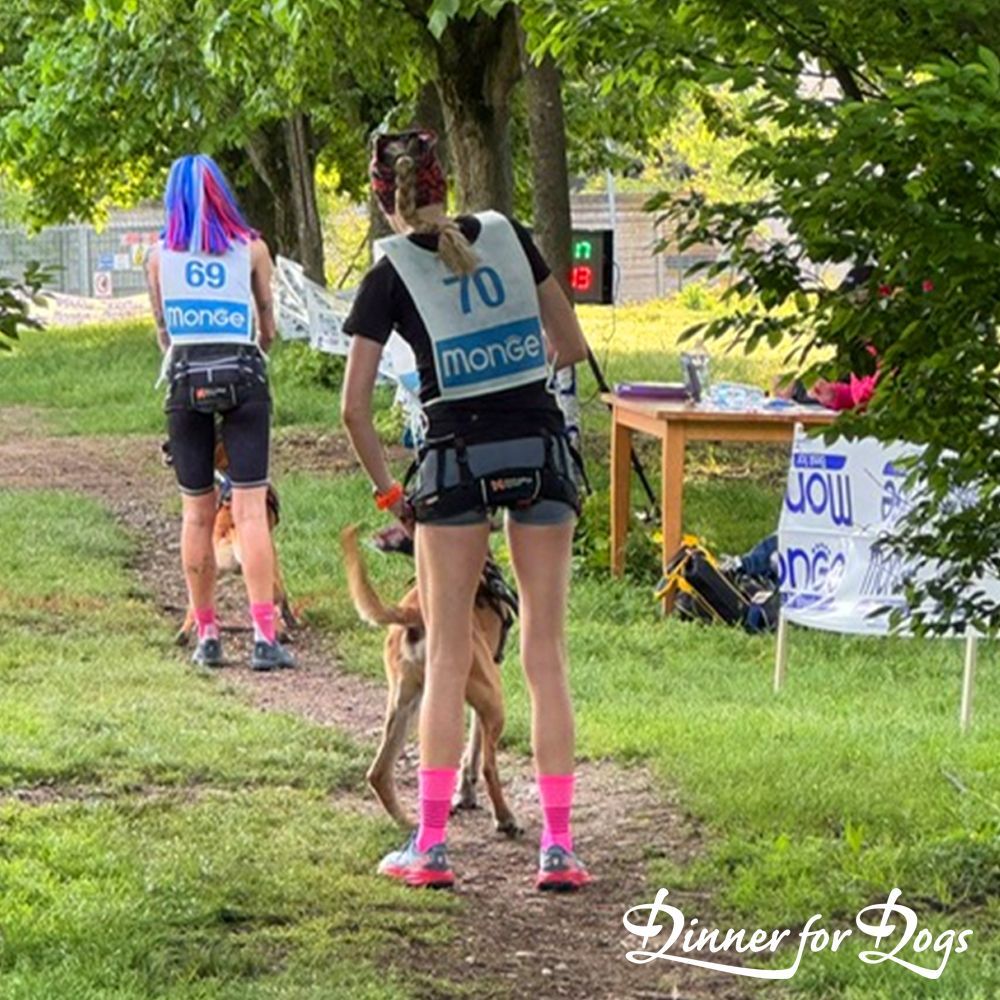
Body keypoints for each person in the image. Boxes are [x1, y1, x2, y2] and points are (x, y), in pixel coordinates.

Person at [341, 129, 591, 891]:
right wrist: (513, 379)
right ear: (444, 184)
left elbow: (354, 410)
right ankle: (558, 848)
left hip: (453, 466)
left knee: (448, 654)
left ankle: (431, 846)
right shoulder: (509, 235)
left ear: (384, 199)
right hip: (538, 454)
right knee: (544, 653)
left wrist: (392, 494)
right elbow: (571, 344)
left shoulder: (389, 272)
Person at [145, 153, 295, 671]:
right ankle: (264, 638)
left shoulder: (158, 257)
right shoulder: (252, 248)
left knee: (196, 513)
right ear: (223, 195)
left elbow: (163, 331)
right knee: (250, 511)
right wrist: (254, 350)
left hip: (186, 379)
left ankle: (207, 635)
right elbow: (267, 326)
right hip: (243, 374)